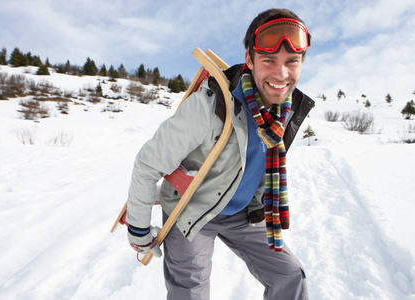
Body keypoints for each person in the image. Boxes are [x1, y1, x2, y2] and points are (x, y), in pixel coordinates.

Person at [125, 8, 315, 300]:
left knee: (290, 277)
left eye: (292, 61)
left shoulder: (283, 114)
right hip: (192, 211)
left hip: (242, 212)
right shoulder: (211, 105)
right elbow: (147, 163)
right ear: (250, 59)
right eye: (268, 60)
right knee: (190, 292)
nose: (281, 73)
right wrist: (138, 230)